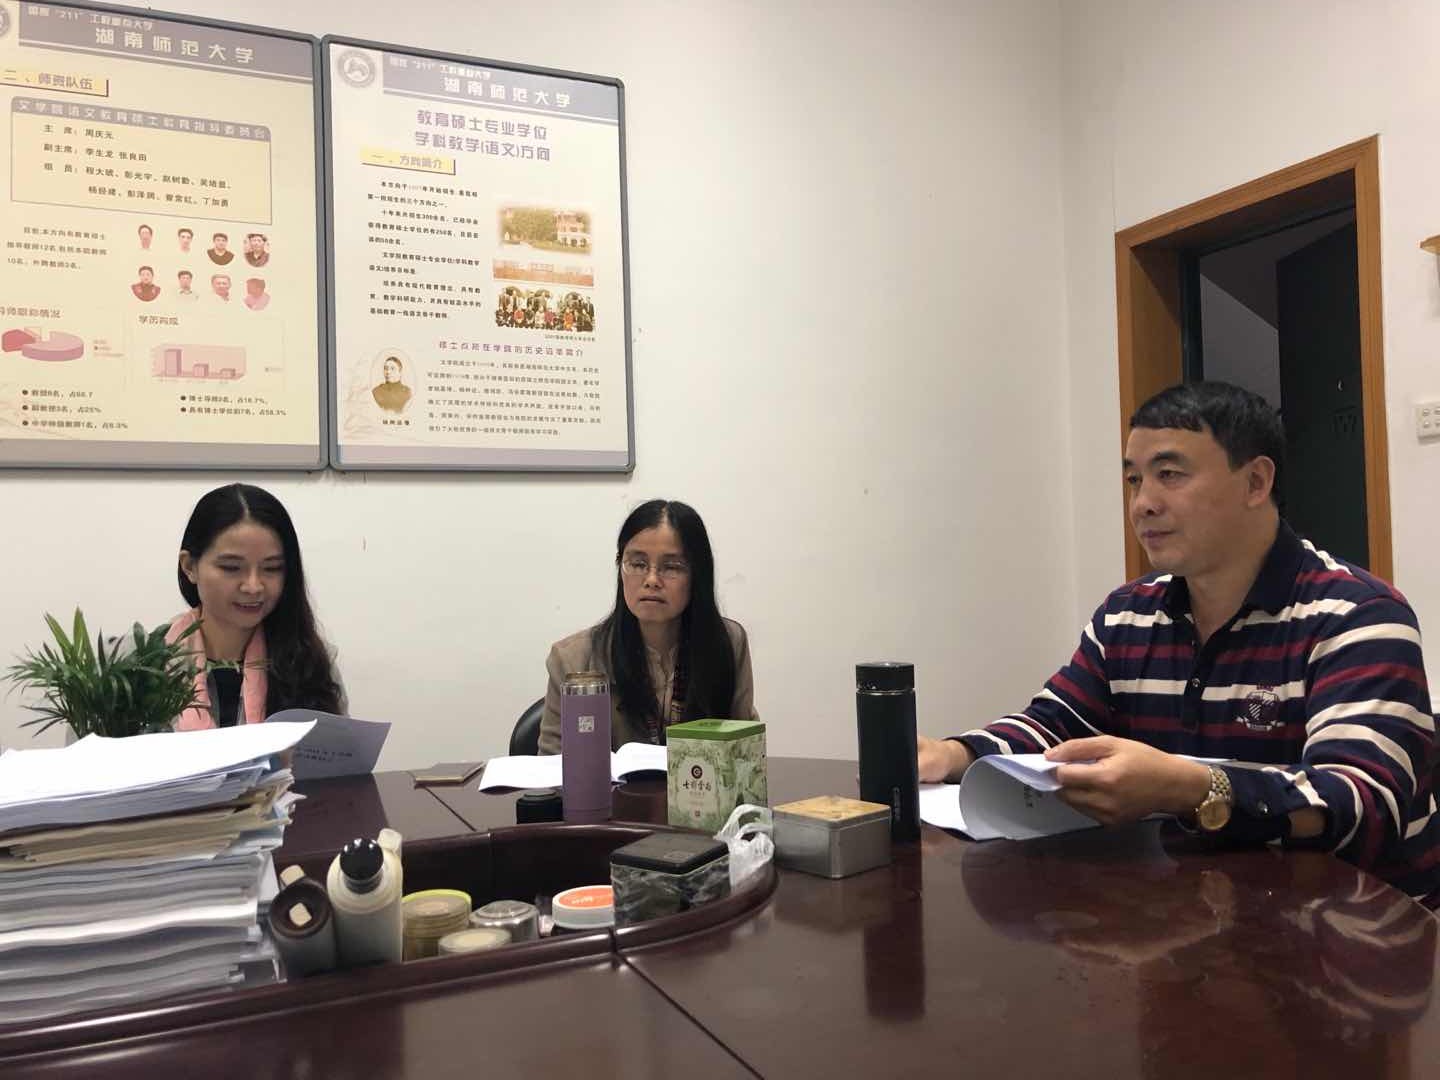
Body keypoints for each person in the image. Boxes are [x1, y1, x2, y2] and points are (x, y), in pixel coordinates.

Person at [916, 381, 1439, 907]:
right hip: (1207, 916)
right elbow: (1054, 724)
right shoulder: (1126, 615)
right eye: (1134, 480)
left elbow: (1362, 805)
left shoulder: (1357, 616)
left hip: (1365, 930)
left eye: (1169, 475)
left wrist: (1190, 788)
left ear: (1256, 482)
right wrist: (953, 753)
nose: (1143, 504)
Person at [539, 499, 757, 754]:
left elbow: (745, 752)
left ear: (698, 575)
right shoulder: (572, 660)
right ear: (620, 568)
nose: (652, 580)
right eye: (638, 564)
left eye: (671, 567)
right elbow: (551, 765)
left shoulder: (728, 643)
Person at [167, 483, 344, 729]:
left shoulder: (306, 662)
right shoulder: (147, 660)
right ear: (189, 566)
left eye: (272, 568)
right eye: (231, 567)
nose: (253, 586)